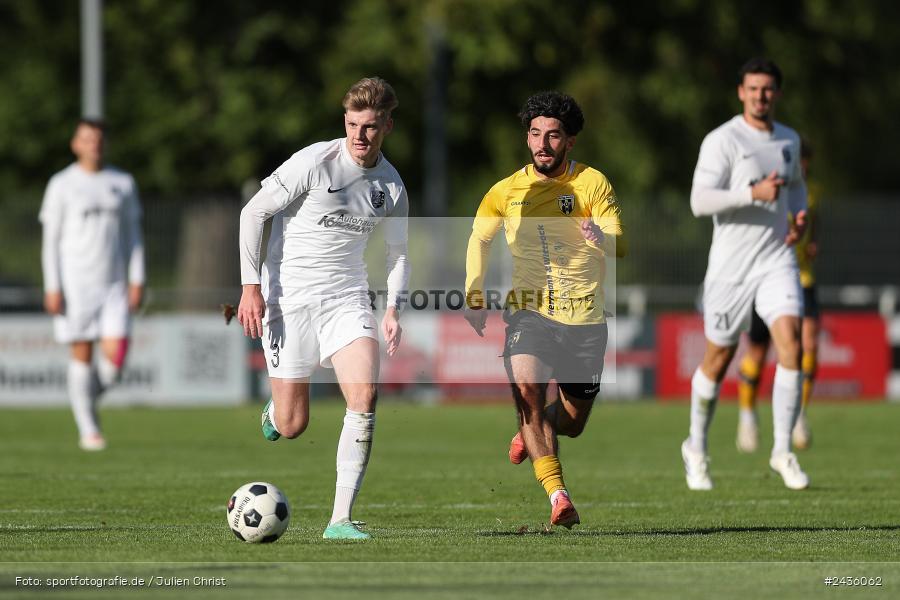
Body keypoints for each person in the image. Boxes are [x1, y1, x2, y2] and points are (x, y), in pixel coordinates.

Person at [237, 77, 409, 541]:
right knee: (293, 425)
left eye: (370, 126)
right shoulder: (316, 161)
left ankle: (340, 520)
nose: (359, 135)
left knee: (365, 397)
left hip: (347, 297)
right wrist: (251, 287)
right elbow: (253, 213)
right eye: (352, 124)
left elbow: (398, 254)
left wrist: (392, 309)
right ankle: (276, 413)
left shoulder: (391, 186)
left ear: (387, 126)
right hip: (288, 297)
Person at [464, 91, 626, 528]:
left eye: (553, 136)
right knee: (529, 394)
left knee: (571, 423)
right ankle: (558, 496)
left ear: (569, 142)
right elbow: (480, 238)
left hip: (586, 318)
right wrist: (474, 293)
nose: (542, 144)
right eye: (535, 134)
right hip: (528, 311)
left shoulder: (594, 183)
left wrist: (601, 237)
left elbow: (620, 241)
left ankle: (528, 434)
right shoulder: (505, 191)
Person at [682, 58, 810, 491]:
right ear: (741, 92)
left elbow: (795, 189)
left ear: (778, 93)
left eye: (768, 89)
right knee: (718, 360)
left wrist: (797, 219)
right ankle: (695, 447)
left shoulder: (789, 139)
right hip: (731, 268)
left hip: (777, 259)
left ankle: (782, 451)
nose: (761, 96)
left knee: (791, 341)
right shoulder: (723, 140)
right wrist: (750, 193)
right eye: (753, 88)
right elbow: (699, 202)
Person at [40, 118, 145, 451]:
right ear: (75, 144)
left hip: (113, 285)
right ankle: (88, 428)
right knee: (82, 353)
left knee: (115, 363)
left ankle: (83, 399)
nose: (93, 145)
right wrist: (52, 285)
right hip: (75, 285)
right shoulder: (61, 184)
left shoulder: (122, 182)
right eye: (87, 139)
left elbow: (133, 236)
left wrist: (137, 278)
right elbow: (50, 241)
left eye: (98, 139)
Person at [736, 140, 820, 453]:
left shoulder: (811, 191)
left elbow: (813, 221)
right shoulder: (769, 187)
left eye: (806, 162)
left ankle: (798, 413)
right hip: (766, 280)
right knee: (758, 352)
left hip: (803, 279)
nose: (803, 167)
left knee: (806, 346)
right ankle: (747, 416)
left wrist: (814, 242)